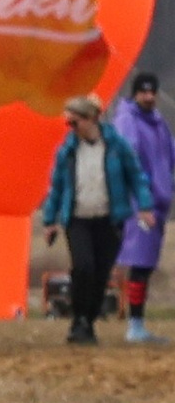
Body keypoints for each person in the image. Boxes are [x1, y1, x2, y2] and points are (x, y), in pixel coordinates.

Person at [40, 95, 146, 345]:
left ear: (92, 119)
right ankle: (78, 319)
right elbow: (56, 187)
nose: (71, 129)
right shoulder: (67, 152)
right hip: (78, 219)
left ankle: (89, 320)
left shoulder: (117, 147)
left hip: (109, 220)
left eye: (75, 123)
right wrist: (49, 220)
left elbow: (136, 177)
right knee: (83, 267)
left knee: (100, 274)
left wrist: (145, 206)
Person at [112, 69, 172, 344]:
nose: (148, 97)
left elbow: (169, 155)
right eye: (143, 92)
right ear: (135, 93)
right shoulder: (127, 121)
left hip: (159, 202)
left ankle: (138, 323)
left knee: (146, 263)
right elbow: (130, 161)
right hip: (140, 204)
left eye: (152, 92)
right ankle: (134, 325)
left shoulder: (158, 123)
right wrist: (143, 196)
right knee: (139, 261)